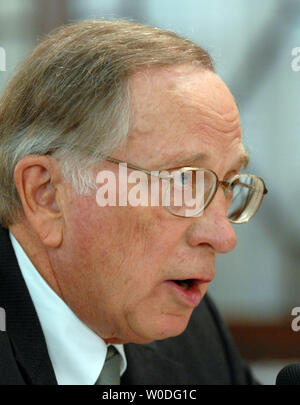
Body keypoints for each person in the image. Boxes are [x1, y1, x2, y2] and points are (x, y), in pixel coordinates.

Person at [0, 19, 267, 385]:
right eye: (181, 181)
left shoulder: (194, 333)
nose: (224, 237)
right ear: (46, 195)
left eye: (228, 185)